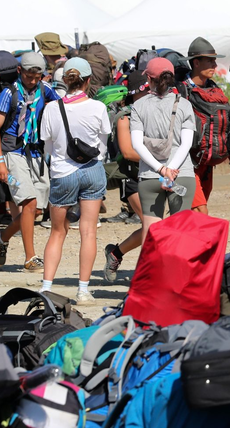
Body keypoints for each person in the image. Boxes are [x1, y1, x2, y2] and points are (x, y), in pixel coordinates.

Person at [38, 58, 109, 304]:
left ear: (64, 80)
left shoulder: (51, 108)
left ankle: (46, 288)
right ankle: (83, 290)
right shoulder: (98, 107)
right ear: (88, 80)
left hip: (63, 171)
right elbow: (102, 147)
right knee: (88, 232)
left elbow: (47, 147)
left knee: (57, 232)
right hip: (92, 170)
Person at [0, 51, 60, 272]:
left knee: (37, 210)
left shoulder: (45, 89)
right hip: (12, 152)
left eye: (37, 77)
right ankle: (30, 258)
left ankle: (2, 237)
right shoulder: (9, 93)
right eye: (29, 76)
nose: (32, 80)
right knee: (28, 203)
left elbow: (62, 109)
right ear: (20, 71)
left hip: (36, 153)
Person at [130, 57, 196, 243]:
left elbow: (137, 144)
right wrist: (171, 170)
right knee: (180, 231)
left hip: (150, 175)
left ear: (148, 79)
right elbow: (186, 144)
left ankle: (151, 264)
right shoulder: (184, 104)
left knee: (151, 231)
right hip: (181, 173)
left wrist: (161, 170)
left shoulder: (138, 106)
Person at [103, 71, 148, 282]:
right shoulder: (125, 117)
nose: (150, 94)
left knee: (152, 227)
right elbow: (128, 152)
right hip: (131, 177)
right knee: (152, 226)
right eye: (146, 90)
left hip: (154, 175)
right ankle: (146, 274)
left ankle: (116, 253)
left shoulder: (154, 113)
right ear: (135, 93)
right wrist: (160, 160)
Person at [177, 37, 229, 215]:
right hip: (186, 162)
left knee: (193, 211)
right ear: (196, 63)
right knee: (200, 210)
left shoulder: (213, 88)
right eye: (210, 61)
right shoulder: (180, 90)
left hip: (205, 162)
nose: (215, 65)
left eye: (214, 60)